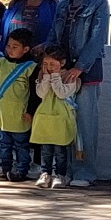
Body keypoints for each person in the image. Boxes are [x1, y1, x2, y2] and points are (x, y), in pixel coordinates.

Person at [45, 0, 109, 186]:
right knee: (63, 120)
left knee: (85, 122)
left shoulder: (99, 4)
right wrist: (49, 61)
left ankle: (85, 171)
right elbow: (54, 35)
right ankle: (64, 170)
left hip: (85, 72)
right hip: (61, 70)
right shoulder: (63, 6)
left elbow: (97, 38)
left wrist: (80, 67)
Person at [0, 29, 40, 182]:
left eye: (15, 47)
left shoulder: (31, 67)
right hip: (2, 114)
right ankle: (4, 168)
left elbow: (34, 93)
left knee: (22, 145)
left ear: (26, 49)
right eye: (8, 46)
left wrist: (30, 111)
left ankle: (22, 170)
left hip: (20, 114)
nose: (9, 49)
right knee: (4, 144)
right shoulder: (0, 63)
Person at [31, 44, 78, 189]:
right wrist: (46, 77)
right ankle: (45, 173)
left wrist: (56, 77)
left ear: (62, 63)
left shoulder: (69, 76)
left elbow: (61, 93)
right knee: (46, 149)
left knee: (60, 151)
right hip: (45, 117)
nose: (49, 67)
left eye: (53, 64)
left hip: (61, 118)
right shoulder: (43, 75)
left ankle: (60, 175)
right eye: (45, 64)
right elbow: (41, 94)